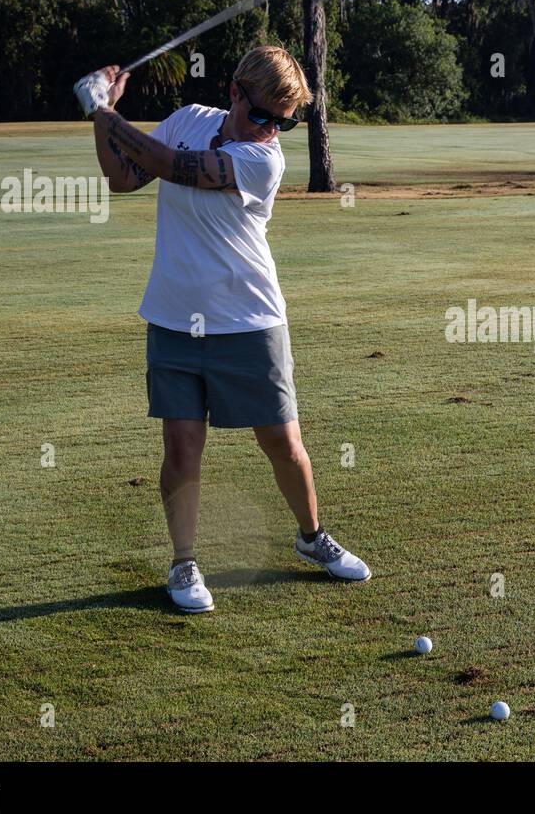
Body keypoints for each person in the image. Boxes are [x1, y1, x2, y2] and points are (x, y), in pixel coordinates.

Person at [80, 46, 371, 613]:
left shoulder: (265, 160)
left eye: (283, 122)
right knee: (182, 447)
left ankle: (312, 536)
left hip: (249, 320)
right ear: (236, 92)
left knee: (283, 444)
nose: (272, 130)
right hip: (173, 318)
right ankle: (184, 562)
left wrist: (104, 114)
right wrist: (102, 119)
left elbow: (176, 168)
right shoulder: (188, 119)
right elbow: (120, 177)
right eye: (263, 115)